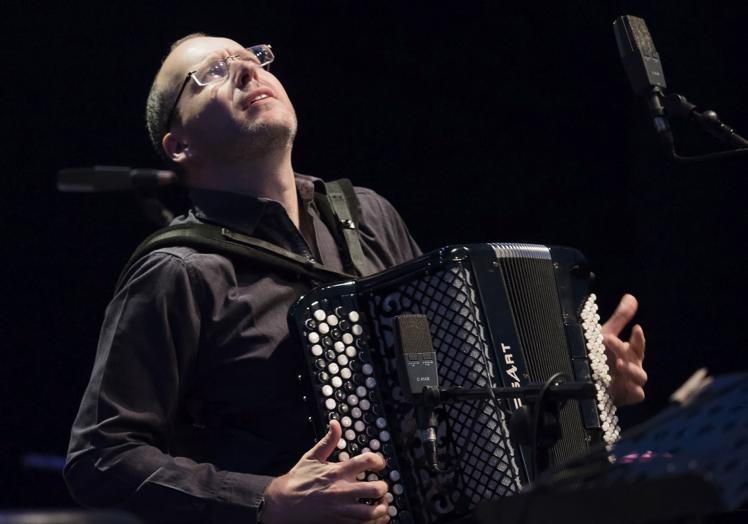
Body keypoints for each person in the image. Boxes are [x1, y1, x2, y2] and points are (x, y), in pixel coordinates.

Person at [64, 34, 648, 524]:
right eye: (211, 73)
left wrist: (583, 386)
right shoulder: (177, 272)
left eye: (251, 56)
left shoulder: (366, 214)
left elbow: (459, 391)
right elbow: (101, 456)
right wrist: (263, 500)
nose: (244, 68)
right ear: (178, 144)